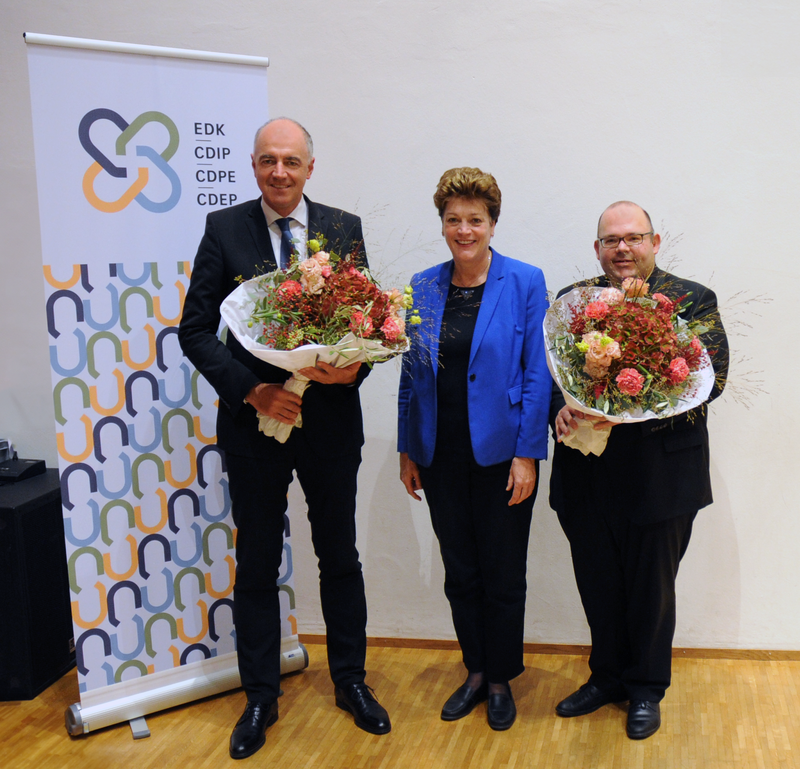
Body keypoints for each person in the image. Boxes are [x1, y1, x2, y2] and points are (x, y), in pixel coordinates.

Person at [178, 117, 390, 760]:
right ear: (253, 164)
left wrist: (354, 365)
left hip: (327, 424)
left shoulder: (343, 228)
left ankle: (350, 680)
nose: (279, 172)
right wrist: (251, 389)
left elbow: (370, 321)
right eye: (268, 160)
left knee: (340, 556)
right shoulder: (225, 229)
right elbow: (193, 330)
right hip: (253, 426)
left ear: (309, 168)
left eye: (291, 161)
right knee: (258, 563)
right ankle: (260, 696)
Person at [549, 201, 729, 739]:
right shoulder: (573, 302)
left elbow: (711, 381)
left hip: (662, 477)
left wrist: (638, 404)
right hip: (587, 472)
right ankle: (605, 678)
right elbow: (551, 375)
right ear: (597, 248)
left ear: (655, 241)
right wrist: (562, 408)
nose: (621, 248)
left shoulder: (693, 300)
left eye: (633, 237)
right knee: (597, 582)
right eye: (610, 240)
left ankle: (646, 688)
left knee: (651, 589)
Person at [397, 167, 551, 731]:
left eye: (475, 220)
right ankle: (476, 672)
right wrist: (407, 449)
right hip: (441, 455)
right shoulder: (423, 286)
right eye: (454, 220)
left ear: (492, 223)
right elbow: (412, 375)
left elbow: (537, 375)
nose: (465, 230)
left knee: (503, 572)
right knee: (460, 571)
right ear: (442, 224)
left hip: (503, 455)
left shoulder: (525, 281)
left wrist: (528, 453)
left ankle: (504, 677)